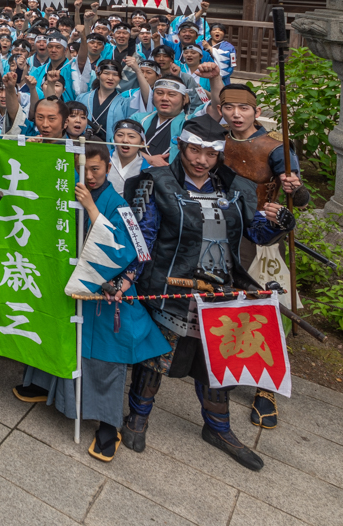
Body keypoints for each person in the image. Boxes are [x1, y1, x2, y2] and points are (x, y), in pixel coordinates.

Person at [121, 117, 293, 470]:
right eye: (195, 150)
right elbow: (142, 238)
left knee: (218, 360)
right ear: (183, 146)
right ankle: (137, 418)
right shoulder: (155, 183)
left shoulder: (234, 187)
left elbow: (255, 233)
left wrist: (276, 222)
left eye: (210, 153)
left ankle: (218, 427)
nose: (201, 159)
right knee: (155, 358)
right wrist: (127, 279)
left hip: (221, 290)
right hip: (171, 287)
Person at [15, 144, 170, 461]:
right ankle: (44, 388)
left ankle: (108, 425)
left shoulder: (118, 203)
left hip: (101, 288)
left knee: (102, 359)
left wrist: (93, 212)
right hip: (67, 283)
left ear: (107, 168)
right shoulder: (67, 190)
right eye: (83, 168)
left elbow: (132, 248)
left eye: (96, 169)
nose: (89, 175)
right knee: (57, 335)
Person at [217, 83, 307, 429]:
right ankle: (222, 364)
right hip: (224, 229)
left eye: (243, 108)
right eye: (229, 108)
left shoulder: (275, 148)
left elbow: (301, 199)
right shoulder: (218, 139)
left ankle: (265, 387)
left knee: (263, 306)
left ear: (255, 111)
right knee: (224, 299)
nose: (236, 115)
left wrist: (294, 191)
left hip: (262, 237)